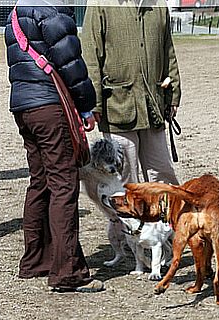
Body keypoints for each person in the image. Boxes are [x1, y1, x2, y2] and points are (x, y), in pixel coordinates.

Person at [5, 0, 104, 292]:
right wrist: (87, 106)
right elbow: (71, 63)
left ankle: (36, 260)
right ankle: (67, 272)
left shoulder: (16, 11)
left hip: (23, 106)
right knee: (64, 184)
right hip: (49, 106)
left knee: (41, 182)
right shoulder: (52, 10)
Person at [81, 0, 182, 186]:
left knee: (161, 172)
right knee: (126, 173)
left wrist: (173, 95)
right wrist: (93, 103)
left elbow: (169, 53)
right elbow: (91, 57)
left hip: (153, 105)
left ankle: (166, 214)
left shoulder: (158, 4)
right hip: (117, 106)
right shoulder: (99, 4)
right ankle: (130, 216)